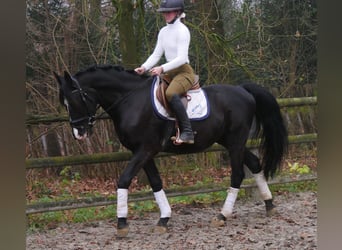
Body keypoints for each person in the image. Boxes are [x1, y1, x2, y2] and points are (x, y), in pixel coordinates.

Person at [135, 0, 195, 145]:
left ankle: (187, 132)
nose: (166, 15)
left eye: (169, 12)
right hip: (169, 72)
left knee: (171, 94)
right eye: (164, 13)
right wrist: (144, 67)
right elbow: (156, 54)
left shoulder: (182, 30)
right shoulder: (163, 31)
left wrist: (162, 68)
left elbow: (181, 58)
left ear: (178, 13)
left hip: (184, 72)